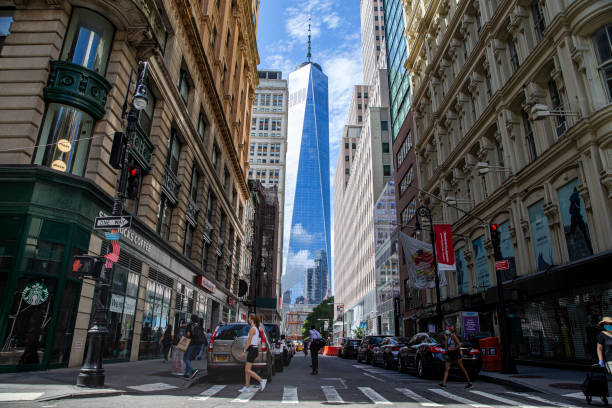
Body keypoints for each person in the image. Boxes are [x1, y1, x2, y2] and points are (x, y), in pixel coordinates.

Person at [239, 314, 267, 392]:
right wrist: (257, 352)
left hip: (252, 350)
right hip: (253, 350)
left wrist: (244, 351)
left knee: (247, 370)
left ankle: (261, 380)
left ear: (252, 320)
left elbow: (248, 342)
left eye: (249, 318)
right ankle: (246, 387)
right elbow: (257, 342)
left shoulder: (253, 329)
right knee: (247, 370)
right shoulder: (256, 329)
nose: (248, 320)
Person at [183, 314, 207, 379]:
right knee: (189, 359)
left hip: (192, 343)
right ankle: (186, 373)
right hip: (199, 344)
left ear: (191, 319)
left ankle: (193, 369)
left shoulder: (190, 325)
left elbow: (188, 335)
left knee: (185, 358)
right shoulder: (199, 326)